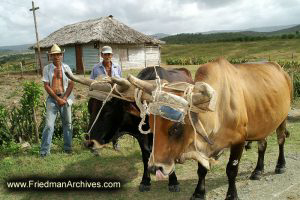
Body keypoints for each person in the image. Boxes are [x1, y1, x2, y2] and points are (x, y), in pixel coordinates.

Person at [40, 44, 74, 157]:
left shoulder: (67, 68)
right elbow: (46, 85)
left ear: (61, 55)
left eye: (58, 54)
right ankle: (44, 152)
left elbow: (71, 83)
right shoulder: (47, 68)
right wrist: (57, 99)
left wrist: (64, 98)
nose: (56, 57)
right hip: (52, 99)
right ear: (51, 56)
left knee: (68, 124)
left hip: (65, 98)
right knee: (49, 125)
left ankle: (68, 149)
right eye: (54, 55)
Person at [90, 45, 122, 150]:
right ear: (101, 55)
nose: (107, 56)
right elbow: (91, 83)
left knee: (116, 120)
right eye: (105, 54)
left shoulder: (117, 66)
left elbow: (120, 81)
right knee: (98, 120)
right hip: (100, 98)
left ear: (111, 55)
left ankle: (115, 141)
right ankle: (96, 142)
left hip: (114, 98)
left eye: (109, 54)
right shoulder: (96, 68)